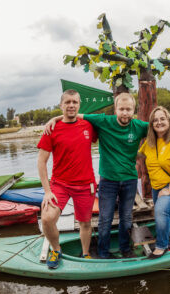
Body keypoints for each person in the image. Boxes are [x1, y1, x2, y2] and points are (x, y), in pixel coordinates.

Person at [46, 93, 170, 259]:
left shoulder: (139, 126)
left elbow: (160, 125)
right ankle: (103, 252)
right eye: (121, 109)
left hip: (129, 180)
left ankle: (125, 249)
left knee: (126, 218)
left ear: (133, 110)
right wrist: (54, 118)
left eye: (128, 109)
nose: (125, 113)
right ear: (115, 109)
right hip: (108, 180)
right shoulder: (104, 121)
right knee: (105, 219)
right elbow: (74, 113)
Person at [38, 89, 98, 269]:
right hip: (60, 185)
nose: (71, 105)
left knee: (85, 222)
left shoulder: (88, 125)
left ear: (79, 105)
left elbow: (113, 127)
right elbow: (42, 161)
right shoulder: (52, 128)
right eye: (68, 102)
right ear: (61, 105)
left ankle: (86, 253)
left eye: (75, 102)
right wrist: (47, 191)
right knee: (47, 218)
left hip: (85, 184)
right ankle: (56, 249)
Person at [138, 107, 170, 258]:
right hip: (156, 186)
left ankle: (162, 245)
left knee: (160, 210)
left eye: (162, 119)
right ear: (152, 124)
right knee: (164, 213)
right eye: (155, 120)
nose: (159, 122)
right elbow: (138, 155)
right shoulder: (150, 142)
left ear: (168, 120)